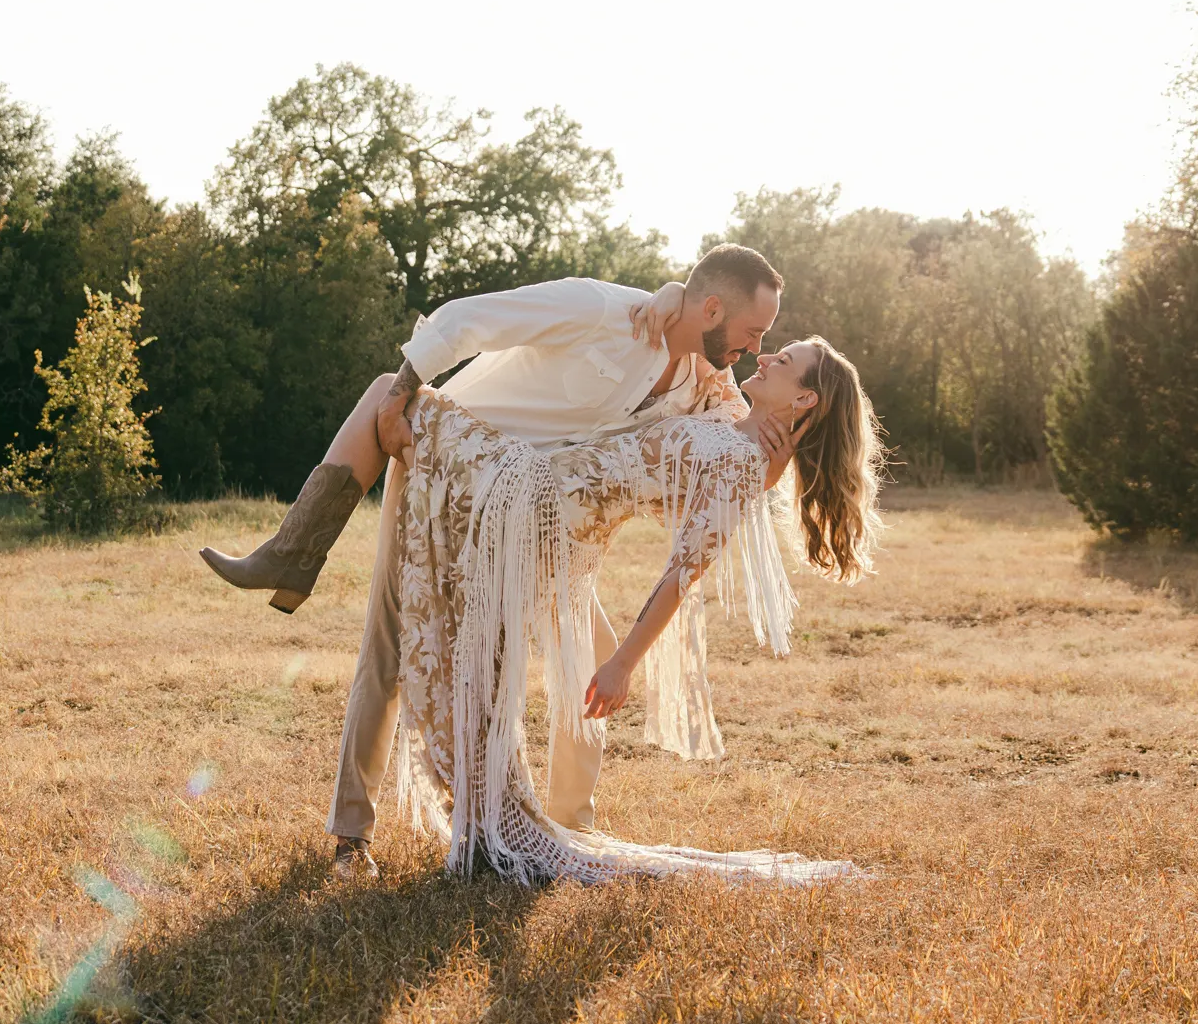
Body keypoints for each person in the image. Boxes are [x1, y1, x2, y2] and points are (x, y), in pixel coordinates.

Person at [198, 245, 789, 878]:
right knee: (393, 646)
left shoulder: (702, 381)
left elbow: (737, 457)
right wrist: (400, 398)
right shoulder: (602, 310)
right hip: (445, 474)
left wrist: (776, 455)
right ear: (712, 307)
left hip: (533, 521)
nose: (755, 349)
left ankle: (569, 830)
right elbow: (465, 318)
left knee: (590, 648)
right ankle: (351, 836)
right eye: (753, 332)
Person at [391, 334, 884, 884]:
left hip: (541, 515)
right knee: (415, 421)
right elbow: (701, 347)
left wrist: (622, 664)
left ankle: (493, 823)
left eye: (784, 361)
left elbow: (681, 575)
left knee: (414, 412)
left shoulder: (743, 465)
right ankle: (489, 818)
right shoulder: (730, 419)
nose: (765, 357)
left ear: (805, 399)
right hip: (545, 501)